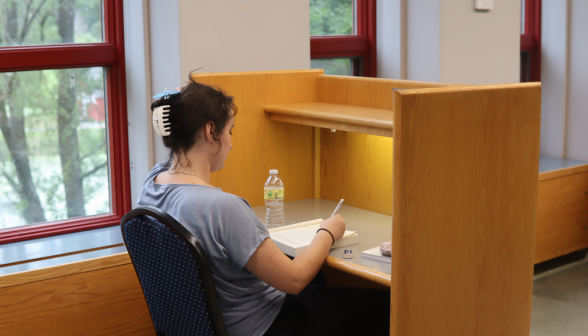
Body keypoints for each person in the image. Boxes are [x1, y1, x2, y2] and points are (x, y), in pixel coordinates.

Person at [138, 73, 390, 336]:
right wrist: (327, 232)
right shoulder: (222, 208)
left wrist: (182, 109)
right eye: (229, 130)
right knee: (385, 307)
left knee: (320, 282)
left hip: (204, 326)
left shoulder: (151, 184)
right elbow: (294, 280)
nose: (232, 143)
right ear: (211, 131)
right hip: (264, 325)